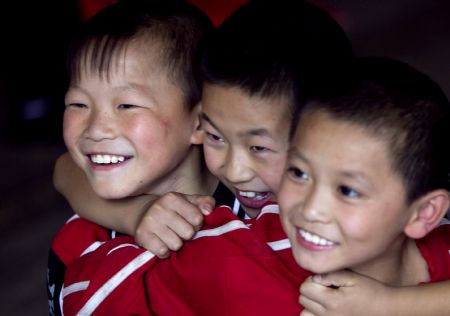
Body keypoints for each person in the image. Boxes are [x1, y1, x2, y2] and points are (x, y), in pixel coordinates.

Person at [52, 1, 450, 315]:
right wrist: (135, 215)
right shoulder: (226, 250)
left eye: (261, 148)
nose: (235, 169)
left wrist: (387, 307)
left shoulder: (405, 203)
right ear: (198, 122)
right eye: (214, 136)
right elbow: (66, 172)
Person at [46, 0, 216, 314]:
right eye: (78, 104)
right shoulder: (79, 247)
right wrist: (136, 213)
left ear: (201, 121)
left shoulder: (255, 207)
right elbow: (63, 169)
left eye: (126, 105)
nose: (96, 129)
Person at [278, 56, 450, 316]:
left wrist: (389, 306)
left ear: (423, 213)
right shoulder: (238, 254)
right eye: (299, 173)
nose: (311, 209)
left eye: (347, 190)